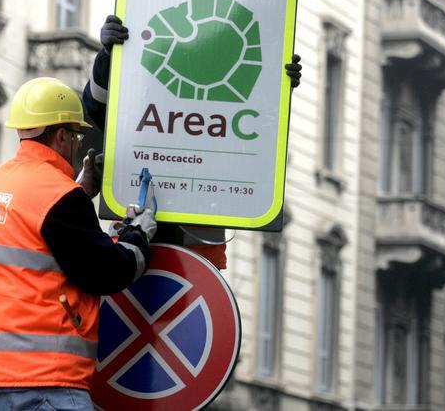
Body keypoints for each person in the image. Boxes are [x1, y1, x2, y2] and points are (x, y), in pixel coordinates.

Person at [0, 77, 156, 411]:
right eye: (77, 135)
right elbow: (105, 272)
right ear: (62, 134)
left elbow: (41, 240)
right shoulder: (58, 196)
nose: (78, 144)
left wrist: (78, 191)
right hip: (44, 381)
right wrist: (137, 235)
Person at [83, 15, 303, 269]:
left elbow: (257, 139)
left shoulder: (230, 95)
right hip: (137, 243)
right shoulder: (145, 91)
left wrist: (277, 86)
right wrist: (108, 57)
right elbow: (97, 109)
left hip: (197, 256)